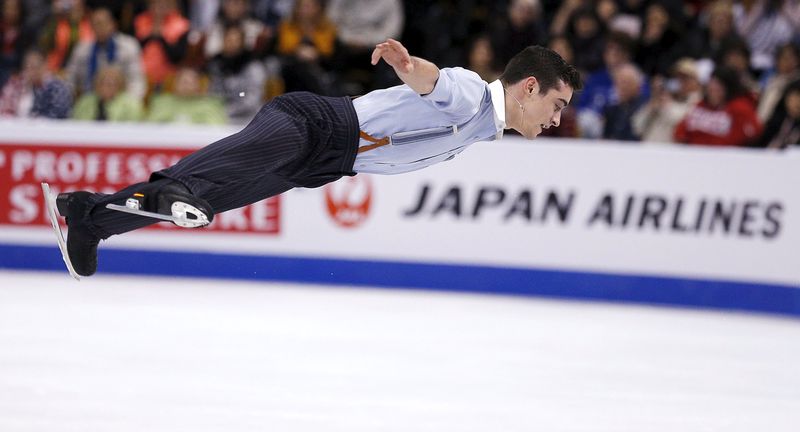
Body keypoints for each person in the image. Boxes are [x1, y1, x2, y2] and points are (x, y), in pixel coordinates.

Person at [51, 39, 581, 277]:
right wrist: (407, 64)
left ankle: (89, 218)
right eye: (556, 104)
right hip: (318, 125)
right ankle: (169, 189)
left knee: (209, 201)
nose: (556, 120)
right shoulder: (473, 96)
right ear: (529, 87)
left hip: (328, 161)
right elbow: (437, 83)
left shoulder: (483, 127)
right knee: (200, 186)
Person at [0, 48, 73, 118]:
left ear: (45, 65)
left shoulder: (58, 89)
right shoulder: (17, 84)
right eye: (27, 66)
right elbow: (4, 107)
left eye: (34, 67)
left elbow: (56, 116)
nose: (31, 71)